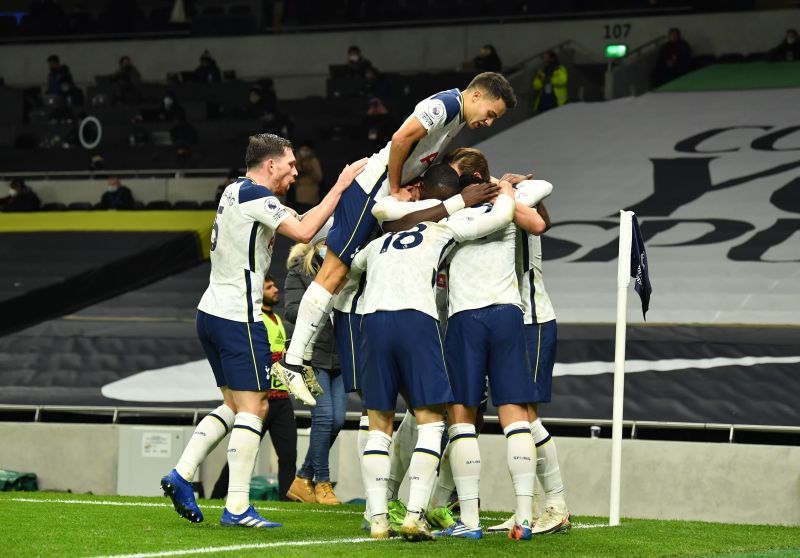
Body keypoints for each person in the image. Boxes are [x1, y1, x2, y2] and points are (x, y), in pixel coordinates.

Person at [159, 133, 366, 529]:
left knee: (237, 407)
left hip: (211, 311)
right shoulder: (256, 195)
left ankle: (182, 474)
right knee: (257, 408)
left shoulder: (234, 191)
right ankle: (236, 506)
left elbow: (292, 224)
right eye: (290, 165)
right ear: (270, 164)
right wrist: (340, 186)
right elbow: (305, 230)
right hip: (238, 316)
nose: (295, 172)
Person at [273, 72, 517, 407]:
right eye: (491, 113)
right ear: (477, 96)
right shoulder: (446, 104)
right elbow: (401, 139)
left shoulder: (457, 113)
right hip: (373, 189)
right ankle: (292, 361)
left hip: (379, 192)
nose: (489, 122)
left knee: (345, 276)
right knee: (334, 273)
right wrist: (396, 186)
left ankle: (302, 355)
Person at [354, 164, 517, 540]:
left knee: (379, 426)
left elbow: (353, 268)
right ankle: (414, 514)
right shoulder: (448, 227)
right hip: (416, 319)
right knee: (431, 420)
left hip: (373, 321)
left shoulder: (383, 236)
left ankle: (378, 518)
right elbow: (503, 216)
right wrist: (503, 188)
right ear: (453, 194)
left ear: (421, 190)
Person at [211, 275, 298, 503]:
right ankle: (217, 496)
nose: (276, 289)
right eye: (269, 287)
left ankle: (286, 502)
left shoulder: (277, 319)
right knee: (243, 452)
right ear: (258, 293)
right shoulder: (254, 320)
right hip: (259, 399)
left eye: (274, 284)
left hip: (281, 399)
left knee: (288, 455)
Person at [284, 221, 346, 505]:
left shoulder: (348, 270)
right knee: (323, 418)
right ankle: (322, 482)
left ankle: (302, 478)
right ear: (321, 243)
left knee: (338, 419)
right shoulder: (300, 271)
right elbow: (293, 311)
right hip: (312, 354)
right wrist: (323, 303)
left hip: (340, 356)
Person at [289, 141, 323, 213]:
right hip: (298, 196)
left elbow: (319, 178)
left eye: (306, 150)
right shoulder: (295, 161)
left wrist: (310, 170)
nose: (304, 152)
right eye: (303, 150)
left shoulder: (314, 161)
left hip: (311, 196)